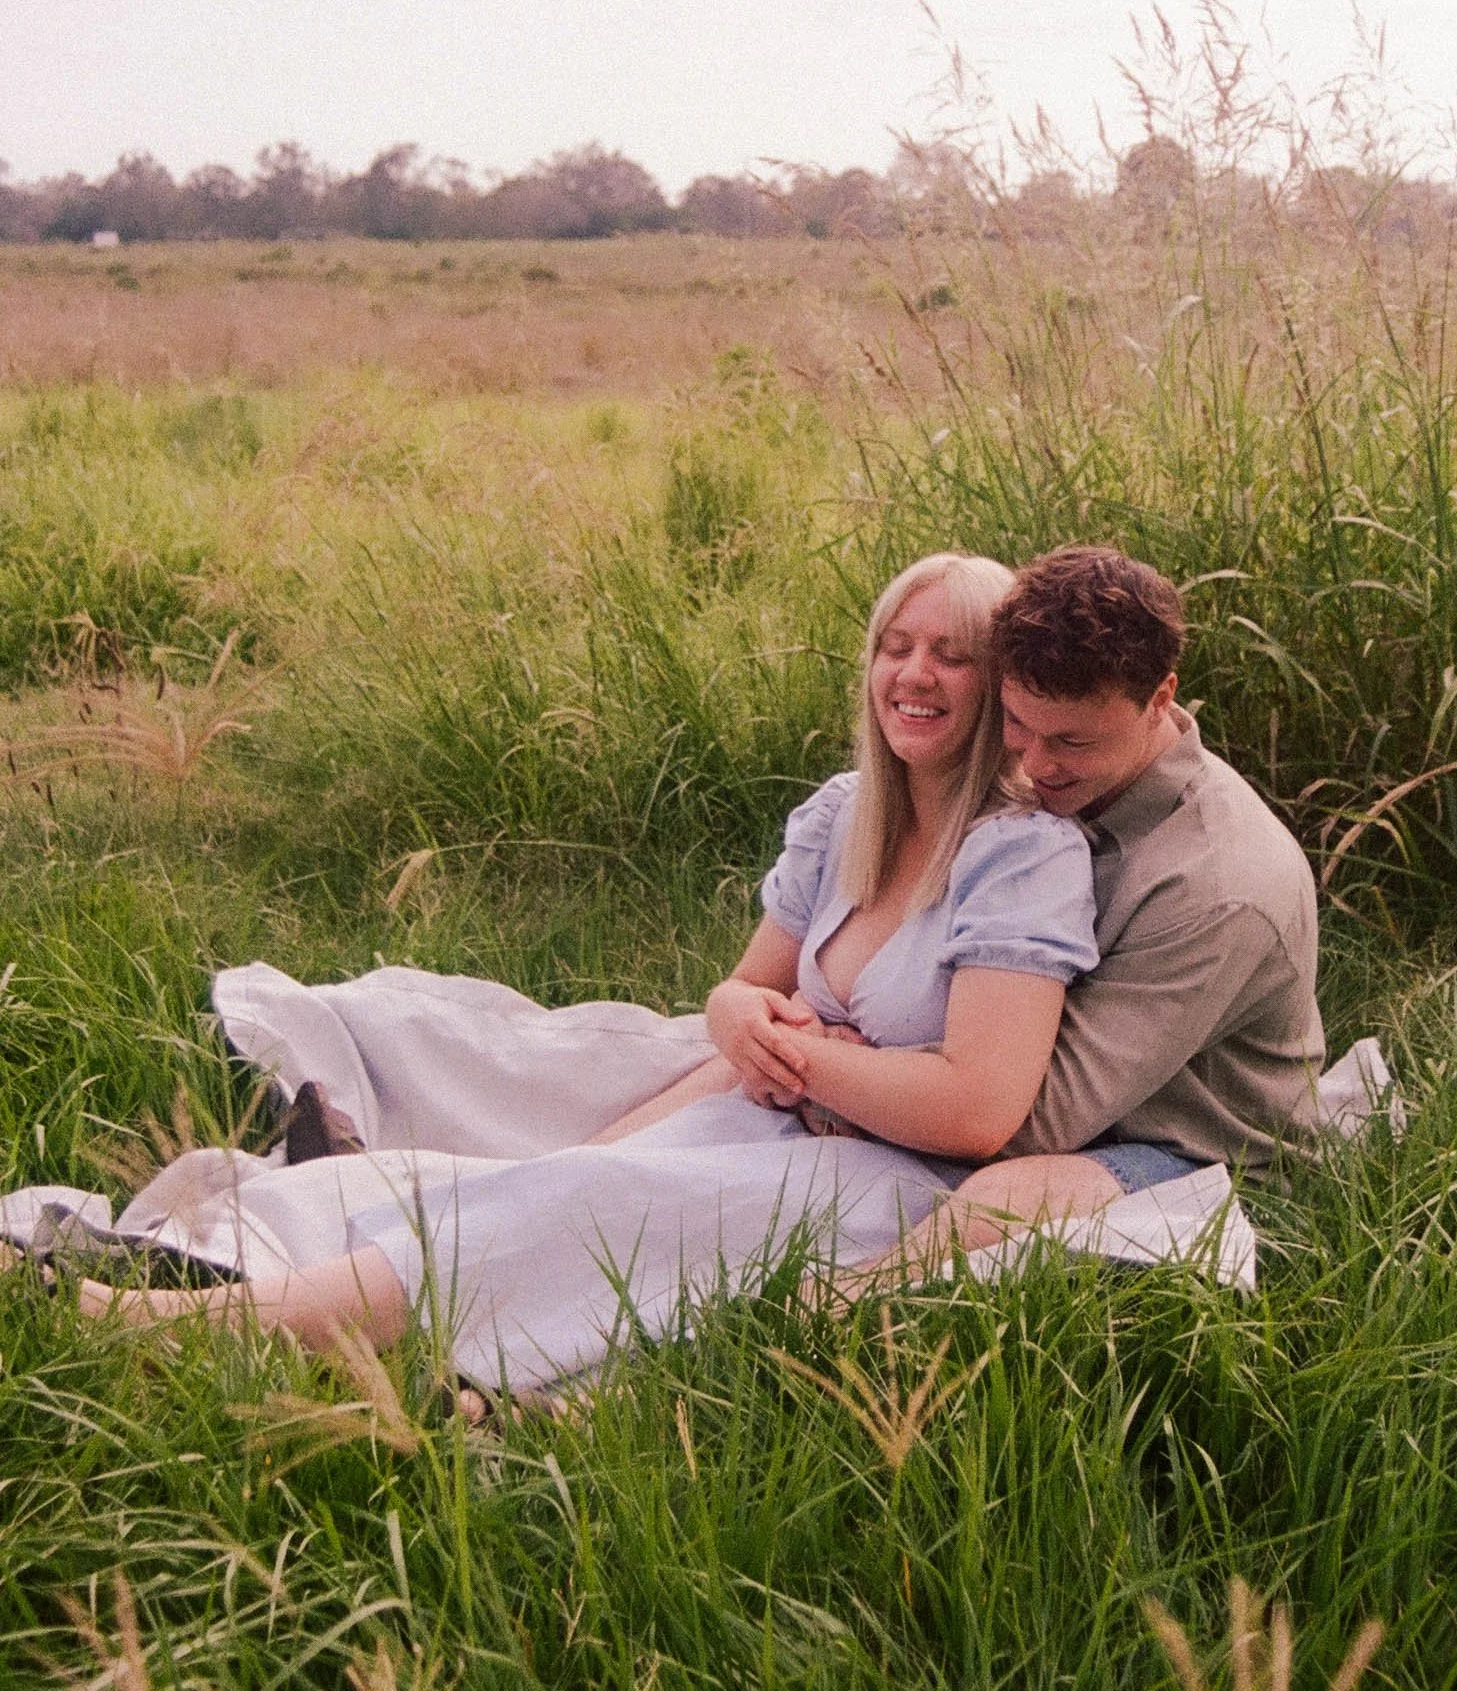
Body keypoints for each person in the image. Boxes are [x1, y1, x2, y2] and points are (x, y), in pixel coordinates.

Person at [59, 552, 1117, 1373]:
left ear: (1001, 688)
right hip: (779, 1113)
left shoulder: (1020, 854)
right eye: (896, 643)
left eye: (952, 652)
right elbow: (752, 984)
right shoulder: (848, 815)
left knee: (584, 1208)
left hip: (891, 1176)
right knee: (551, 1167)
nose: (915, 673)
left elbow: (978, 1107)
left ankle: (208, 1328)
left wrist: (808, 1061)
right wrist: (736, 1016)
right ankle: (242, 1251)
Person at [815, 544, 1327, 1280]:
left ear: (1159, 698)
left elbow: (1031, 1123)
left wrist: (841, 1070)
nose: (1034, 764)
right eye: (1017, 726)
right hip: (1040, 1105)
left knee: (998, 1201)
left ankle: (820, 1317)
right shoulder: (1063, 793)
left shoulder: (1217, 884)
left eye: (1072, 741)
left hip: (1191, 1152)